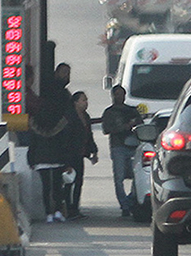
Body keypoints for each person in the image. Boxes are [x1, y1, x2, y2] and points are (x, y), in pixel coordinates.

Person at [27, 91, 75, 223]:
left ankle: (48, 213)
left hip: (41, 160)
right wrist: (67, 162)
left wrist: (30, 160)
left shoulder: (35, 123)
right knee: (57, 187)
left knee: (46, 188)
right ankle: (58, 211)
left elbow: (33, 144)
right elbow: (65, 144)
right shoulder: (60, 122)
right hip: (57, 159)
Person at [99, 84, 144, 218]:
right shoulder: (109, 112)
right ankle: (124, 205)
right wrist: (126, 126)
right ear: (112, 96)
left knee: (137, 176)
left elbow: (141, 125)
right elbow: (106, 129)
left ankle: (130, 200)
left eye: (122, 94)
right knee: (119, 178)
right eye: (117, 94)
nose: (120, 97)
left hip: (133, 147)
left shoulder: (132, 111)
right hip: (117, 147)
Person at [63, 90, 99, 219]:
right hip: (70, 154)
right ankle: (68, 208)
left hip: (80, 154)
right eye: (83, 100)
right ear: (76, 102)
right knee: (69, 182)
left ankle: (75, 208)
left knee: (78, 181)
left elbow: (89, 135)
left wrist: (94, 150)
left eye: (86, 100)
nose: (86, 103)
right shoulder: (69, 117)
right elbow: (66, 139)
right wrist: (66, 161)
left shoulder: (86, 116)